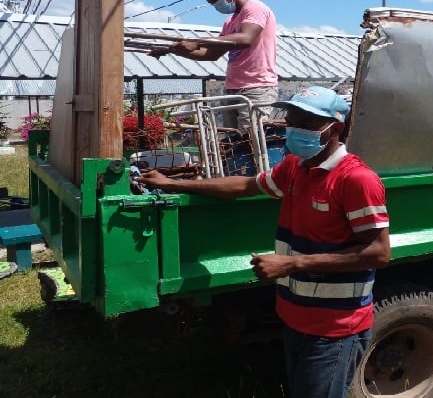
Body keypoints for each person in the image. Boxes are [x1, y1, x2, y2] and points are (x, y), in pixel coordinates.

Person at [138, 86, 391, 398]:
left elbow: (378, 252)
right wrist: (176, 184)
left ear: (335, 128)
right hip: (295, 317)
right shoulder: (294, 169)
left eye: (305, 123)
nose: (293, 129)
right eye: (290, 121)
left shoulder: (356, 180)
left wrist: (293, 263)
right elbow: (245, 185)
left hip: (335, 328)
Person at [153, 0, 279, 129]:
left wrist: (197, 42)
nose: (216, 5)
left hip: (257, 88)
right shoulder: (230, 22)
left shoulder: (255, 7)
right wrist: (173, 50)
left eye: (216, 0)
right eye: (212, 3)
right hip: (233, 88)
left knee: (251, 140)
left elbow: (246, 39)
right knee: (233, 140)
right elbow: (211, 54)